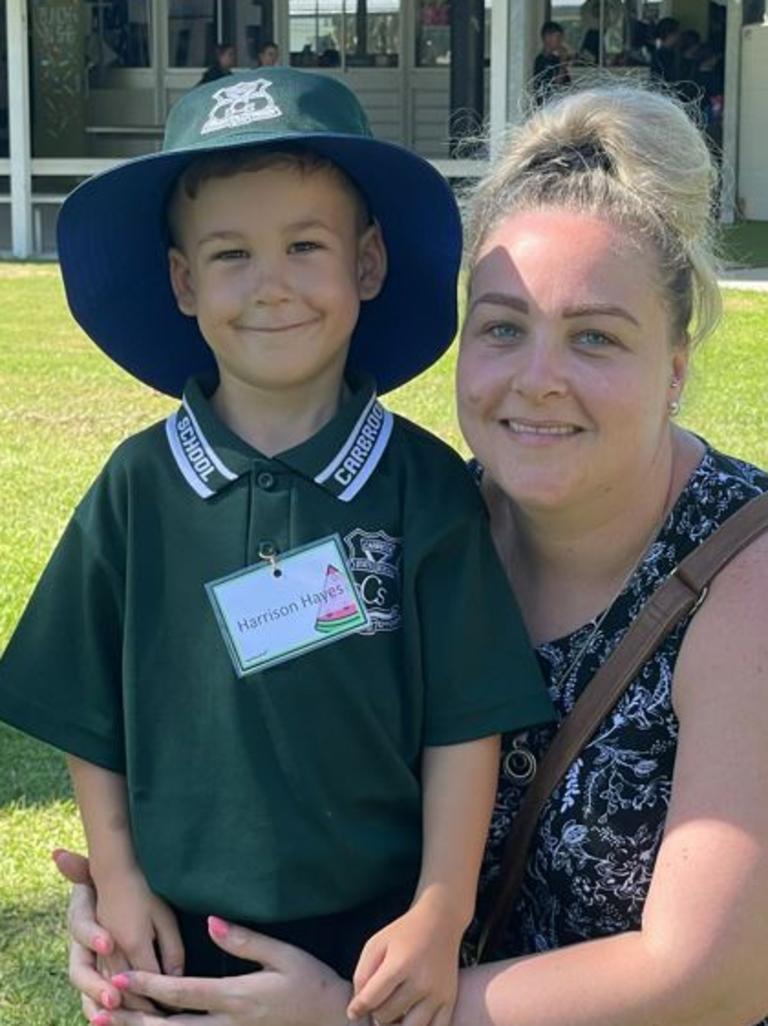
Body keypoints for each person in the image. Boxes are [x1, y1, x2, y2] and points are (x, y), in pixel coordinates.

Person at [61, 82, 768, 1026]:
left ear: (676, 364)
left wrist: (350, 1015)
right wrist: (128, 895)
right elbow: (228, 711)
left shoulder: (740, 576)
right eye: (504, 327)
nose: (538, 380)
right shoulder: (410, 519)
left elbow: (717, 977)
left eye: (596, 337)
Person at [0, 69, 554, 1026]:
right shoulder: (138, 486)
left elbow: (464, 722)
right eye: (229, 254)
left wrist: (440, 907)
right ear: (182, 281)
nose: (271, 285)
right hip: (180, 938)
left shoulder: (422, 487)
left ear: (366, 264)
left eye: (305, 245)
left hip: (372, 941)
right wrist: (120, 876)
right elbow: (91, 711)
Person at [532, 21, 571, 106]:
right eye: (558, 37)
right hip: (547, 105)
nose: (560, 41)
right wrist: (563, 63)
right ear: (547, 38)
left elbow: (567, 84)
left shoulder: (555, 59)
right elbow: (556, 86)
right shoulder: (541, 61)